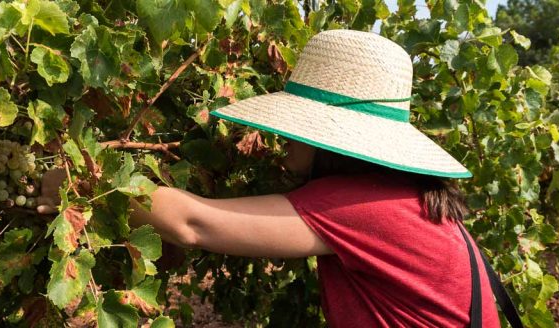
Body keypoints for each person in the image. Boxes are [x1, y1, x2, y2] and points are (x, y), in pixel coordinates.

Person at [44, 30, 502, 327]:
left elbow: (193, 223)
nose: (282, 143)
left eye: (295, 131)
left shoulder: (354, 205)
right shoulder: (408, 197)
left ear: (331, 140)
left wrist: (76, 183)